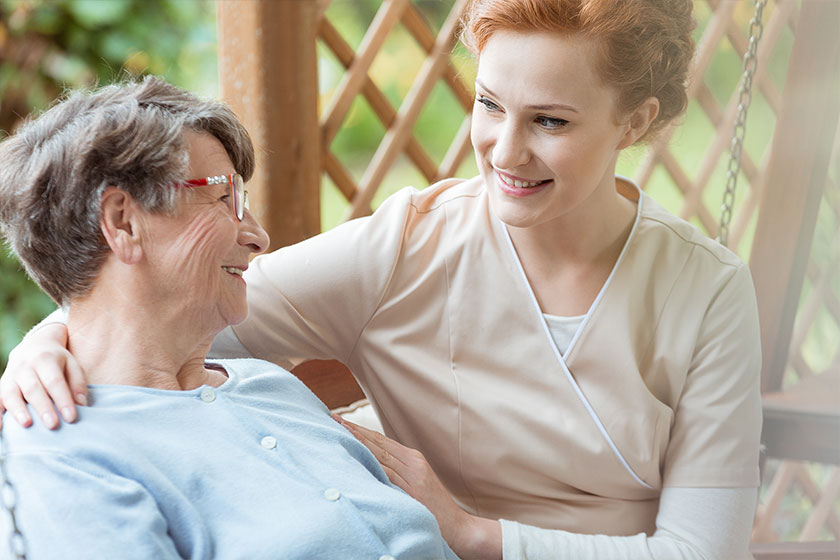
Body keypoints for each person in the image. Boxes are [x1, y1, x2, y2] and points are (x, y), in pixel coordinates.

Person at [1, 1, 763, 559]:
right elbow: (158, 309)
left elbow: (704, 550)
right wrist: (43, 346)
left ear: (633, 122)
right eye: (489, 104)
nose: (504, 150)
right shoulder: (406, 248)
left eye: (551, 121)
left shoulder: (707, 290)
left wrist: (471, 534)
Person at [0, 76, 459, 560]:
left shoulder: (268, 386)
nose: (258, 236)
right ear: (123, 222)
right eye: (226, 199)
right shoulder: (66, 455)